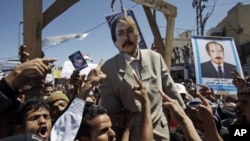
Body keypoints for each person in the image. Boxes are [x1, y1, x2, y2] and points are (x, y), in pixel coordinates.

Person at [99, 14, 185, 140]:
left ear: (137, 35)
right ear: (115, 41)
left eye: (130, 31)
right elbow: (112, 111)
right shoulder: (108, 68)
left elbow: (172, 92)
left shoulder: (155, 58)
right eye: (121, 33)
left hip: (160, 133)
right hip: (134, 134)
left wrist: (185, 119)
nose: (126, 37)